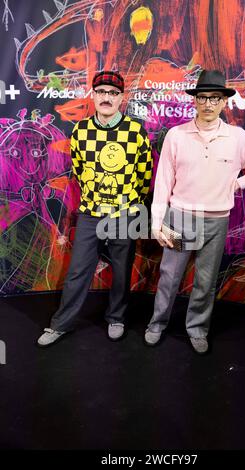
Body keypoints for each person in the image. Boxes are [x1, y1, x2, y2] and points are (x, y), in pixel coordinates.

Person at [145, 69, 245, 353]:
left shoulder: (237, 138)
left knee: (206, 281)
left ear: (224, 103)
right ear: (195, 101)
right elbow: (163, 181)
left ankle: (197, 329)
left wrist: (238, 182)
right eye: (204, 97)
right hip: (180, 218)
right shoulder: (176, 135)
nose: (208, 103)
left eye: (215, 98)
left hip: (216, 222)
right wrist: (157, 222)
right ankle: (156, 324)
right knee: (170, 276)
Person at [37, 70, 152, 347]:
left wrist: (130, 204)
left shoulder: (136, 131)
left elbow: (145, 175)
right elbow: (78, 170)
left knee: (122, 269)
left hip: (123, 214)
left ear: (121, 98)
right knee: (78, 270)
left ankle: (116, 318)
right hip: (90, 213)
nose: (107, 98)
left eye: (113, 93)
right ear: (94, 95)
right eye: (101, 92)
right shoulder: (81, 130)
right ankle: (61, 324)